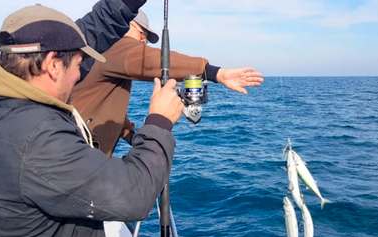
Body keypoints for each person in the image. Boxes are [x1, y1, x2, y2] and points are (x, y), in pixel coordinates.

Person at [0, 5, 183, 237]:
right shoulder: (37, 139)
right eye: (79, 65)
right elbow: (132, 194)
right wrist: (159, 122)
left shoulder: (8, 101)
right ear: (54, 64)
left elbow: (95, 28)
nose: (79, 77)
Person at [72, 11, 264, 157]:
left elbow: (104, 105)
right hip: (76, 157)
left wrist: (130, 134)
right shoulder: (115, 46)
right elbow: (149, 59)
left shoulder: (102, 54)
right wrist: (216, 73)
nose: (143, 41)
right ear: (129, 25)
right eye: (142, 34)